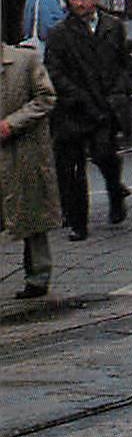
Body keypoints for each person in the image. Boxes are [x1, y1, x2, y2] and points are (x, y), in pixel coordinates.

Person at [42, 0, 131, 240]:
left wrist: (117, 95)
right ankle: (77, 222)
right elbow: (54, 71)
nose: (78, 3)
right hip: (74, 109)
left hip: (105, 105)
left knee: (105, 155)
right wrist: (75, 96)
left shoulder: (113, 27)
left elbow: (122, 64)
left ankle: (115, 191)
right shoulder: (59, 33)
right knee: (72, 167)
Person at [2, 42, 61, 298]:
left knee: (31, 212)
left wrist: (12, 123)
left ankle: (38, 275)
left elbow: (46, 98)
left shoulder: (25, 60)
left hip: (23, 154)